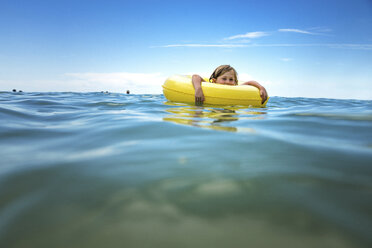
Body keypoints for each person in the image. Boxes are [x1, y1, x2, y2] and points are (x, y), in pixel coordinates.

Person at [192, 65, 268, 104]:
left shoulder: (235, 88)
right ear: (215, 81)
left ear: (235, 82)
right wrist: (198, 88)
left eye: (231, 79)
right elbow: (196, 76)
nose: (228, 82)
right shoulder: (210, 86)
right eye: (224, 79)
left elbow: (249, 82)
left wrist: (261, 87)